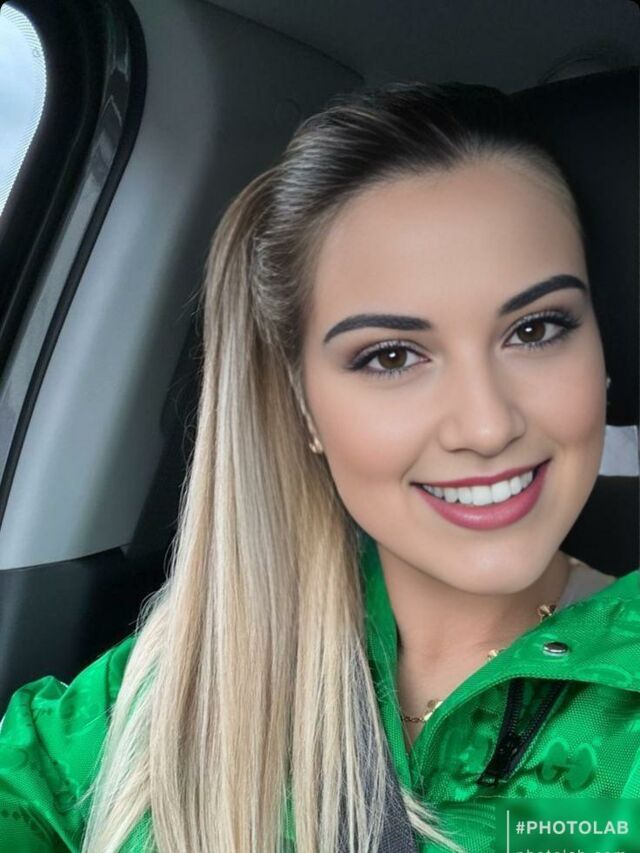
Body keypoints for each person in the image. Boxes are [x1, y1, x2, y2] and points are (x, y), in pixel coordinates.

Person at [0, 80, 638, 853]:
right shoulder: (180, 675)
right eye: (392, 356)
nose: (486, 424)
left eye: (536, 329)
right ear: (303, 405)